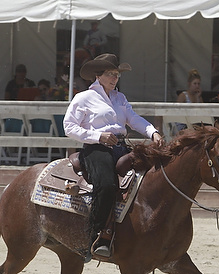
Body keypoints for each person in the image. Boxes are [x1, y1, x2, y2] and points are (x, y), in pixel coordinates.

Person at [63, 53, 162, 260]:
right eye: (110, 74)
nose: (115, 78)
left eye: (117, 74)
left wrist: (152, 132)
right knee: (107, 185)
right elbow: (69, 127)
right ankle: (95, 235)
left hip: (120, 146)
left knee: (151, 175)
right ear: (98, 75)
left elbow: (133, 119)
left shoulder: (120, 98)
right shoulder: (83, 98)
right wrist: (98, 136)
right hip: (96, 149)